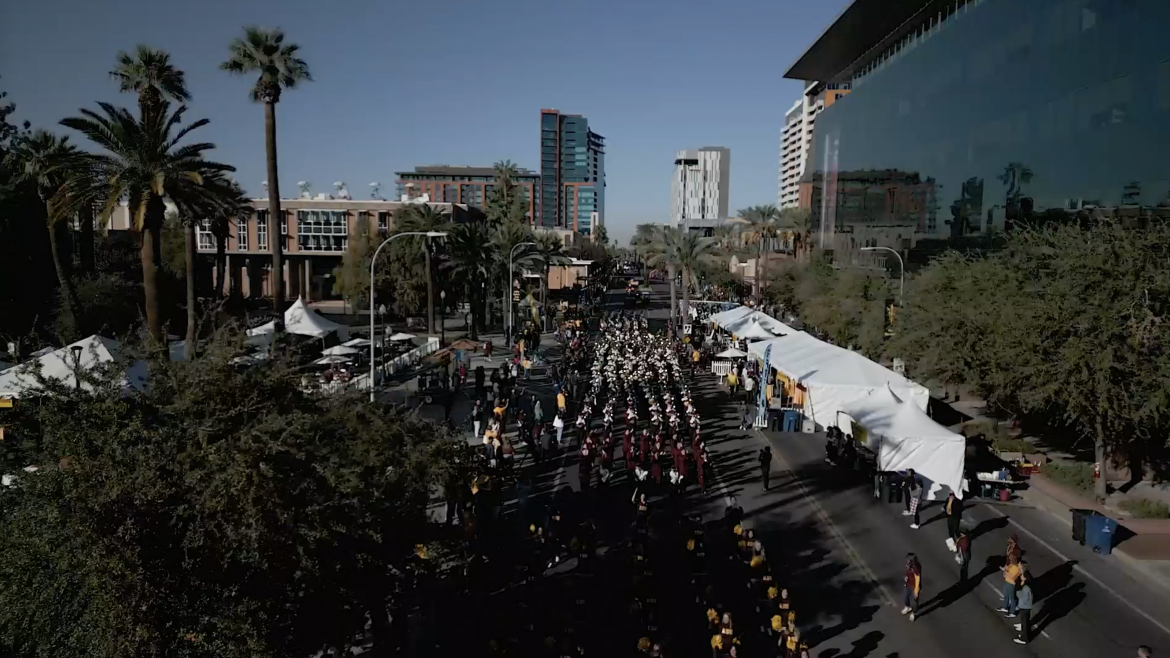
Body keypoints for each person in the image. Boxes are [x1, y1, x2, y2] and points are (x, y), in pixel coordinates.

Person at [999, 553, 1022, 618]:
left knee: (1012, 598)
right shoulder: (1011, 565)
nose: (1010, 559)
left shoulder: (1017, 568)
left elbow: (1013, 577)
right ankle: (1005, 607)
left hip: (1011, 584)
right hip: (1007, 581)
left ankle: (1012, 612)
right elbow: (1007, 570)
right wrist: (1005, 570)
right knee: (1006, 595)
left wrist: (1006, 572)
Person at [902, 553, 922, 622]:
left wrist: (916, 590)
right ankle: (907, 607)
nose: (906, 560)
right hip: (908, 584)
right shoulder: (908, 566)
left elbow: (917, 579)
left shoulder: (916, 568)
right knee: (905, 597)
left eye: (908, 559)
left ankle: (913, 613)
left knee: (914, 601)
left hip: (914, 586)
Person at [1014, 574, 1033, 645]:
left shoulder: (1025, 588)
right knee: (1026, 622)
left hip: (1025, 607)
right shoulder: (1027, 587)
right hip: (1027, 607)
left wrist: (1018, 590)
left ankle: (1024, 638)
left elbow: (1021, 597)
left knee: (1024, 622)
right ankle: (1026, 634)